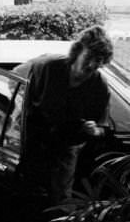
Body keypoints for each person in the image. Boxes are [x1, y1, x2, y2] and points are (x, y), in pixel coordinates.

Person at [19, 24, 114, 205]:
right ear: (77, 52)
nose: (92, 65)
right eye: (89, 57)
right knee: (27, 197)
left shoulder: (99, 86)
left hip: (65, 150)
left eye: (99, 60)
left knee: (59, 202)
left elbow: (104, 128)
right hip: (32, 143)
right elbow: (13, 81)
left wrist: (94, 131)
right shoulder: (46, 67)